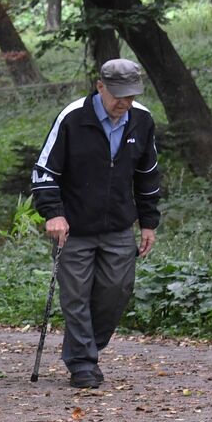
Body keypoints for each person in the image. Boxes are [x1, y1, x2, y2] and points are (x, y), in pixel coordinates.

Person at [30, 58, 161, 389]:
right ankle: (82, 363)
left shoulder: (142, 120)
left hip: (118, 225)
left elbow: (147, 175)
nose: (124, 103)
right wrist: (53, 213)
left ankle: (85, 348)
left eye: (130, 96)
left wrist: (149, 222)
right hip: (73, 227)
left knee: (117, 290)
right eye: (118, 95)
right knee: (76, 296)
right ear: (100, 86)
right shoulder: (73, 118)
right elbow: (44, 171)